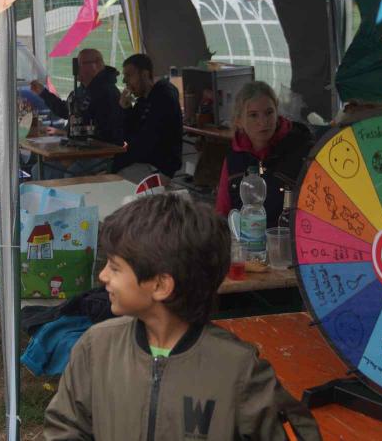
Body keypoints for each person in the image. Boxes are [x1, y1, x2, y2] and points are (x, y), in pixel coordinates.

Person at [44, 194, 320, 440]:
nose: (103, 276)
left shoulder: (238, 370)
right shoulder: (97, 347)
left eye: (115, 268)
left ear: (161, 286)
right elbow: (65, 426)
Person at [215, 81, 314, 226]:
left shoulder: (300, 147)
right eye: (253, 115)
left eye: (269, 113)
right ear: (239, 121)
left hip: (289, 241)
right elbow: (222, 212)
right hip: (246, 243)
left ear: (277, 111)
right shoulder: (233, 158)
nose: (263, 122)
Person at [30, 48, 123, 146]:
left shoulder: (108, 93)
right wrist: (43, 93)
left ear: (97, 64)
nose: (76, 68)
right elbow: (66, 111)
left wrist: (70, 133)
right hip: (83, 149)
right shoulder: (81, 91)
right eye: (76, 63)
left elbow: (105, 131)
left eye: (80, 64)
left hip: (102, 153)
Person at [112, 54, 182, 180]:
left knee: (111, 181)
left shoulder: (163, 97)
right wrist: (126, 109)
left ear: (144, 74)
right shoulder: (143, 100)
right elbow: (128, 134)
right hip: (144, 163)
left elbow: (146, 141)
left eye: (129, 75)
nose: (124, 81)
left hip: (158, 167)